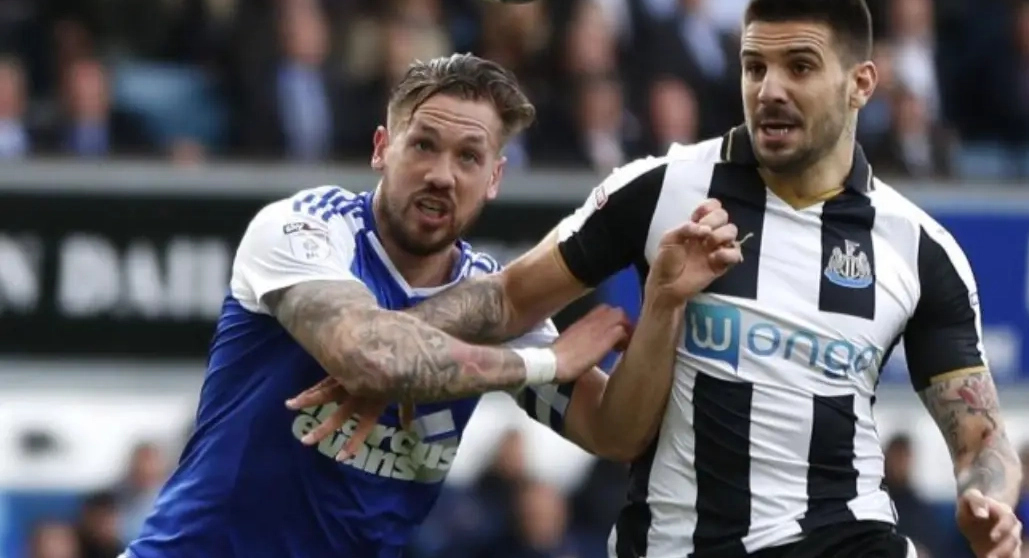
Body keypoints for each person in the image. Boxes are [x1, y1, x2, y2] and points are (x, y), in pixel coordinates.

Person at [293, 0, 1025, 558]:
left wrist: (987, 496)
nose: (769, 88)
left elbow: (980, 435)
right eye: (754, 66)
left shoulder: (917, 248)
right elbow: (510, 299)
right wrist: (390, 348)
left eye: (800, 67)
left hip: (848, 536)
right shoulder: (664, 188)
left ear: (861, 84)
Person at [121, 54, 743, 558]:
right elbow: (371, 356)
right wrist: (544, 364)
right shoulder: (305, 229)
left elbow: (616, 432)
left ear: (494, 179)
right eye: (423, 145)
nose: (443, 174)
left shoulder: (489, 296)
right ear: (381, 148)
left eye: (468, 157)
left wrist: (663, 303)